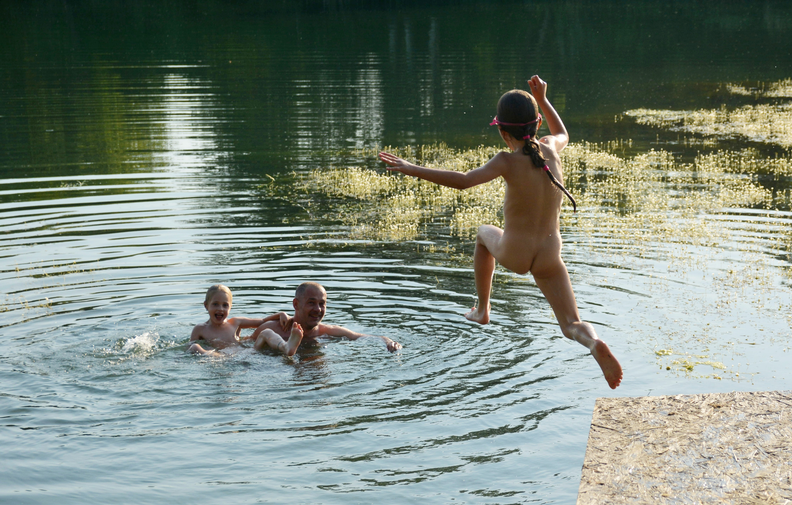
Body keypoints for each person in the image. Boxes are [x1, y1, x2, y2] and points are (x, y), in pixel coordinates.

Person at [378, 75, 622, 389]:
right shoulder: (551, 147)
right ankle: (593, 343)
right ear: (536, 125)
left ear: (503, 132)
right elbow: (562, 132)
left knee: (482, 233)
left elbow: (464, 180)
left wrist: (413, 168)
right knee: (571, 323)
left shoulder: (506, 160)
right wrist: (544, 99)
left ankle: (482, 309)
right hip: (550, 255)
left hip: (515, 252)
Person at [249, 282, 402, 353]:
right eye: (311, 303)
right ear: (296, 304)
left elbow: (364, 337)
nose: (318, 309)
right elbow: (241, 348)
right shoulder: (272, 328)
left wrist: (389, 341)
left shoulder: (327, 331)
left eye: (322, 304)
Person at [188, 284, 303, 356]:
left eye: (225, 305)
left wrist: (281, 314)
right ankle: (212, 358)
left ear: (230, 307)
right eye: (215, 304)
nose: (220, 309)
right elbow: (187, 348)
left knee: (266, 332)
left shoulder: (236, 322)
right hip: (219, 357)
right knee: (194, 347)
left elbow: (262, 321)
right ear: (206, 305)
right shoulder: (200, 329)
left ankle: (286, 347)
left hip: (245, 353)